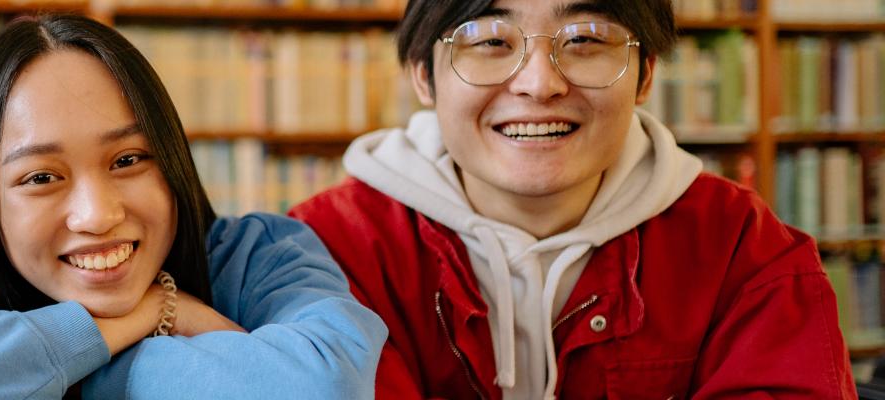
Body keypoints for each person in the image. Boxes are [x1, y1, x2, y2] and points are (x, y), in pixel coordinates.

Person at [288, 0, 854, 398]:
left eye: (584, 39)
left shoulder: (742, 248)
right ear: (422, 75)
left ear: (646, 71)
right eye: (489, 40)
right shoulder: (325, 250)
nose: (539, 83)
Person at [0, 15, 386, 399]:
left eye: (128, 160)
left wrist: (38, 377)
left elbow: (326, 385)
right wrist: (155, 313)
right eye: (40, 177)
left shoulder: (264, 251)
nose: (97, 215)